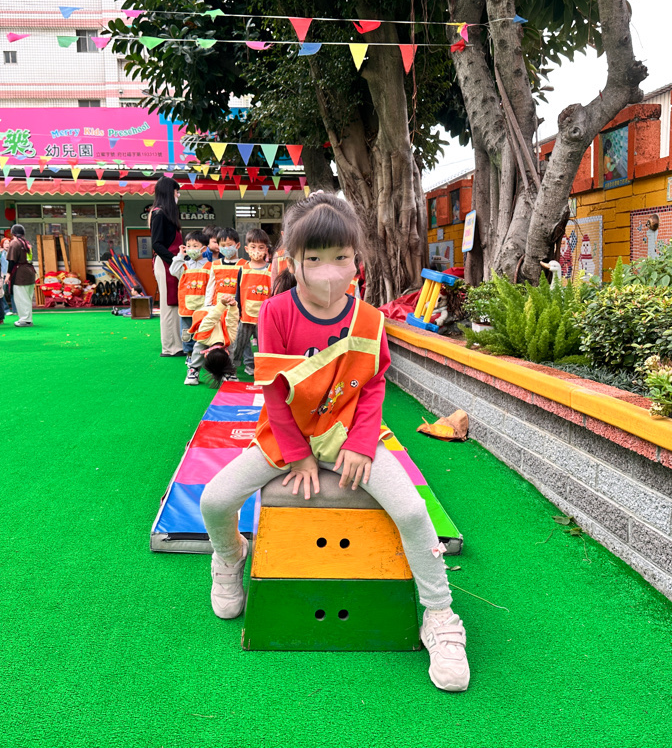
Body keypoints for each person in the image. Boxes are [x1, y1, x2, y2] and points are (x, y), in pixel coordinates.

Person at [198, 192, 469, 692]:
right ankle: (230, 556)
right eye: (315, 259)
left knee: (413, 512)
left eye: (341, 257)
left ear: (356, 260)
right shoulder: (274, 313)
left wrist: (362, 443)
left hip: (349, 434)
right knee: (214, 500)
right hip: (288, 436)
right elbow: (274, 393)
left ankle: (440, 615)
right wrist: (298, 456)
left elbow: (374, 384)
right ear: (292, 261)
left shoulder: (369, 319)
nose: (329, 271)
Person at [150, 177, 184, 356]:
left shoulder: (168, 214)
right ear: (169, 192)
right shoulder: (159, 214)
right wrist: (174, 260)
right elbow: (157, 244)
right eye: (176, 191)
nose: (178, 195)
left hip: (172, 263)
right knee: (168, 304)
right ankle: (170, 347)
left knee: (175, 304)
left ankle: (177, 344)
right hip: (166, 263)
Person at [170, 230, 211, 375]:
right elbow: (172, 270)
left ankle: (204, 355)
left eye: (195, 246)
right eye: (188, 246)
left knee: (203, 332)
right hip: (186, 308)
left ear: (204, 248)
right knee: (187, 333)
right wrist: (180, 255)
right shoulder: (184, 266)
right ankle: (189, 354)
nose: (191, 249)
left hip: (203, 308)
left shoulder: (210, 267)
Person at [231, 228, 271, 377]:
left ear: (266, 250)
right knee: (239, 344)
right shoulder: (242, 270)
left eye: (261, 247)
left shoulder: (271, 270)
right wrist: (236, 313)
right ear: (247, 249)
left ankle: (264, 370)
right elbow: (238, 292)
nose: (257, 251)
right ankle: (232, 368)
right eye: (253, 247)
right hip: (246, 317)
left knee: (264, 346)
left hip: (264, 319)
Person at [184, 295, 240, 386]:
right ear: (206, 354)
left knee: (229, 345)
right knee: (200, 346)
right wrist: (228, 306)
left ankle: (228, 370)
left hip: (213, 316)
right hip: (209, 313)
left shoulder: (227, 337)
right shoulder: (229, 337)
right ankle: (194, 369)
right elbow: (214, 319)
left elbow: (231, 321)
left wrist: (230, 306)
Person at [204, 228, 245, 306]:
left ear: (238, 245)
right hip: (217, 307)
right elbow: (210, 288)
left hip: (236, 308)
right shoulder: (215, 264)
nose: (226, 247)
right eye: (223, 245)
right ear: (218, 246)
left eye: (229, 245)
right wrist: (208, 305)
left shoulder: (244, 265)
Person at [7, 224, 36, 327]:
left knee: (21, 298)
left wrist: (8, 274)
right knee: (27, 298)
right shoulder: (27, 243)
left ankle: (25, 319)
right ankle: (28, 318)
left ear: (13, 233)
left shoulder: (14, 243)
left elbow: (11, 261)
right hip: (30, 271)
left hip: (20, 274)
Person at [0, 237, 14, 316]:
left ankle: (15, 309)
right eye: (5, 243)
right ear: (2, 244)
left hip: (12, 274)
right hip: (2, 275)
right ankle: (5, 309)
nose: (7, 245)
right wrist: (0, 252)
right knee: (2, 292)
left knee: (12, 292)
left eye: (8, 243)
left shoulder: (12, 251)